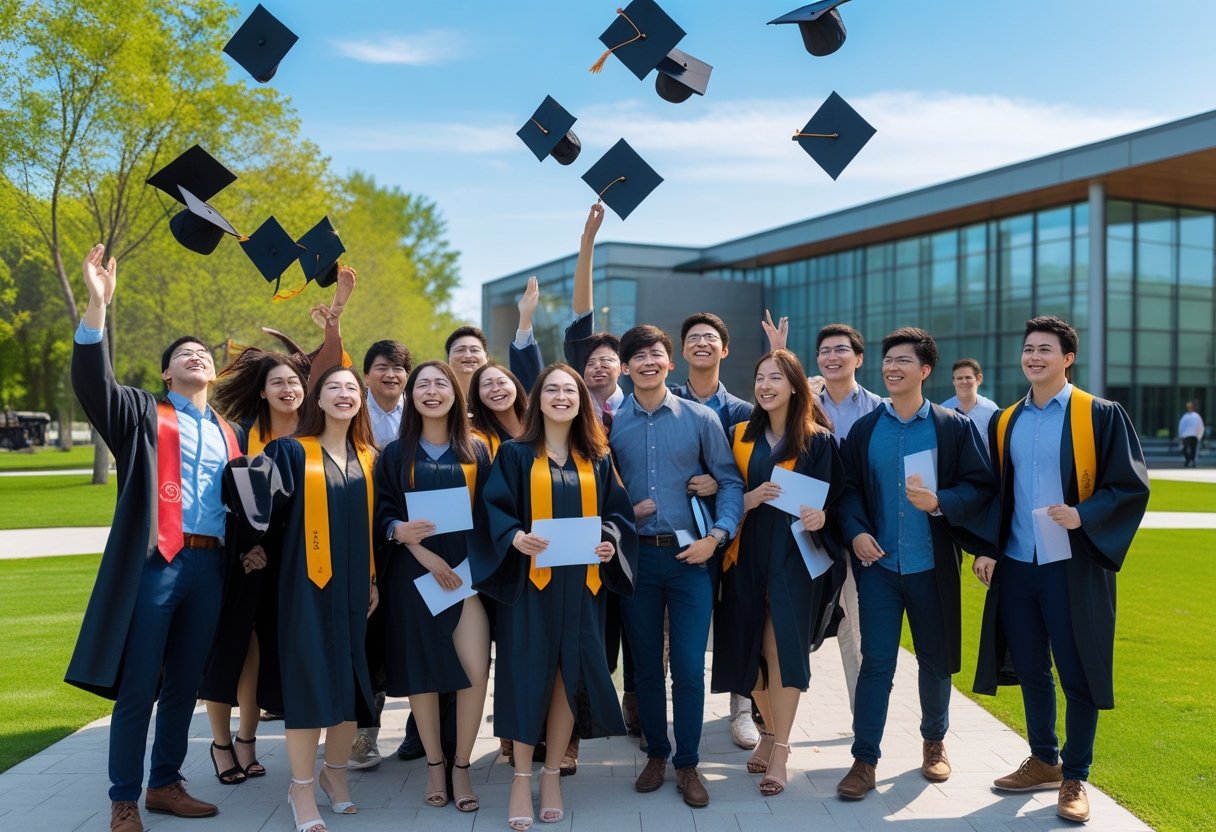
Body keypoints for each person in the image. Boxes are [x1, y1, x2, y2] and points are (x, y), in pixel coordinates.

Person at [68, 244, 242, 832]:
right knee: (140, 683)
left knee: (185, 684)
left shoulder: (232, 433)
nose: (196, 355)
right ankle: (124, 796)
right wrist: (98, 306)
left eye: (204, 353)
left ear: (214, 373)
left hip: (210, 568)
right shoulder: (142, 414)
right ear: (168, 373)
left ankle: (166, 782)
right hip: (157, 564)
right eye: (182, 354)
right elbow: (94, 384)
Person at [973, 315, 1150, 824]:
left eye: (1045, 349)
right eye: (1028, 348)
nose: (1034, 357)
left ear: (1067, 358)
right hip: (1018, 562)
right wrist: (987, 547)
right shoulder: (1005, 420)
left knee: (1077, 671)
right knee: (1030, 667)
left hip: (1073, 563)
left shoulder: (1099, 414)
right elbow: (994, 495)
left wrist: (1083, 514)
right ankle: (1044, 760)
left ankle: (1076, 775)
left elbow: (1131, 486)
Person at [200, 267, 356, 783]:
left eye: (294, 381)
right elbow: (232, 493)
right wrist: (249, 546)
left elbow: (333, 367)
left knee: (265, 649)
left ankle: (248, 740)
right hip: (248, 558)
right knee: (236, 648)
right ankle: (221, 744)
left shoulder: (316, 432)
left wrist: (337, 311)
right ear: (263, 393)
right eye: (278, 383)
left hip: (297, 560)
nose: (289, 388)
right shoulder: (245, 436)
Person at [834, 327, 997, 801]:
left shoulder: (952, 427)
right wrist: (857, 532)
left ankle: (934, 742)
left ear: (925, 371)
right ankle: (864, 760)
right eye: (888, 361)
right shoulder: (866, 429)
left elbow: (981, 487)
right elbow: (848, 493)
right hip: (880, 568)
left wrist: (940, 501)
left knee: (935, 660)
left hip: (931, 567)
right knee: (876, 663)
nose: (892, 367)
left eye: (903, 361)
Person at [479, 363, 639, 830]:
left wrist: (610, 539)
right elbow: (492, 508)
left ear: (581, 400)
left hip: (582, 587)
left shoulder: (598, 457)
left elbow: (617, 514)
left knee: (571, 677)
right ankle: (520, 776)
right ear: (538, 398)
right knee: (529, 676)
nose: (562, 397)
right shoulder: (513, 454)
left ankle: (551, 776)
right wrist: (514, 537)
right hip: (531, 587)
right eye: (552, 389)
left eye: (570, 390)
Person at [224, 364, 379, 832]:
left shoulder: (369, 457)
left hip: (355, 592)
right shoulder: (291, 452)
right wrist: (251, 544)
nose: (344, 394)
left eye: (352, 388)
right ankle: (302, 787)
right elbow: (253, 498)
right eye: (333, 387)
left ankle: (335, 776)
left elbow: (379, 524)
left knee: (353, 690)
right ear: (318, 399)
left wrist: (373, 579)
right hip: (306, 588)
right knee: (310, 685)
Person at [610, 324, 744, 807]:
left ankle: (688, 764)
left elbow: (728, 483)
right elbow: (601, 494)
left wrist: (717, 537)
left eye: (657, 354)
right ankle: (656, 754)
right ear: (625, 367)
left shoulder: (701, 418)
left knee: (688, 667)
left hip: (692, 559)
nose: (648, 362)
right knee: (644, 667)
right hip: (638, 560)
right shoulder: (610, 423)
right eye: (638, 356)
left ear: (670, 363)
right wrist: (626, 513)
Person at [712, 349, 846, 795]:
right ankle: (768, 731)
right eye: (760, 377)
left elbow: (837, 501)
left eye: (776, 377)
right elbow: (723, 491)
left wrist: (822, 518)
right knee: (747, 659)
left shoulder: (818, 441)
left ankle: (781, 749)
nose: (766, 385)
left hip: (793, 559)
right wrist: (746, 500)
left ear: (794, 385)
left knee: (781, 652)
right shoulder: (737, 436)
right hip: (745, 559)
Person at [374, 361, 492, 813]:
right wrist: (410, 542)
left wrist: (466, 567)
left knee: (475, 673)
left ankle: (461, 765)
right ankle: (434, 764)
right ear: (411, 395)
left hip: (466, 577)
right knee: (423, 673)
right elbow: (383, 513)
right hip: (414, 577)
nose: (431, 391)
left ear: (454, 395)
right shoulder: (395, 454)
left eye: (440, 383)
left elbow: (492, 515)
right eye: (422, 384)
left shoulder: (477, 450)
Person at [764, 317, 882, 718]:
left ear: (859, 358)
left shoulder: (876, 409)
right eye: (824, 352)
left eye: (841, 350)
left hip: (858, 533)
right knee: (784, 625)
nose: (832, 358)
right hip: (804, 534)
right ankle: (769, 718)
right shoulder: (804, 403)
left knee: (858, 631)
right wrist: (781, 351)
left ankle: (863, 725)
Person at [672, 311, 758, 748]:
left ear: (725, 350)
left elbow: (759, 469)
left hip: (733, 534)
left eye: (711, 338)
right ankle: (655, 704)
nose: (701, 343)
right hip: (677, 535)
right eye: (693, 338)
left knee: (737, 620)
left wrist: (717, 483)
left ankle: (742, 709)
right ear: (682, 350)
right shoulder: (662, 399)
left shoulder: (744, 411)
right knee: (674, 629)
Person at [941, 358, 1000, 454]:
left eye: (968, 377)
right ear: (953, 381)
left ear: (979, 379)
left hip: (985, 468)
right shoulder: (943, 411)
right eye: (959, 378)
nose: (964, 381)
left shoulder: (991, 410)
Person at [363, 340, 413, 450]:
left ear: (407, 377)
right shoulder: (353, 409)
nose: (390, 375)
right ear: (366, 377)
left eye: (398, 369)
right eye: (382, 368)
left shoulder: (417, 410)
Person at [469, 362, 529, 456]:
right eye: (487, 384)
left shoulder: (539, 423)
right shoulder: (478, 440)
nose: (496, 389)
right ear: (477, 394)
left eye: (502, 382)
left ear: (515, 384)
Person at [446, 325, 490, 400]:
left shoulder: (498, 392)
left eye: (474, 350)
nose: (468, 355)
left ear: (487, 358)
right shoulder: (438, 393)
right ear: (448, 359)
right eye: (460, 350)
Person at [1178, 401, 1205, 467]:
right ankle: (1188, 460)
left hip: (1194, 435)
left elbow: (1200, 426)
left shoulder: (1196, 416)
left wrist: (1199, 436)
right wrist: (1181, 435)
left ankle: (1192, 462)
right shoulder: (1185, 416)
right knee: (1184, 449)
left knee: (1193, 450)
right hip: (1186, 436)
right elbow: (1181, 426)